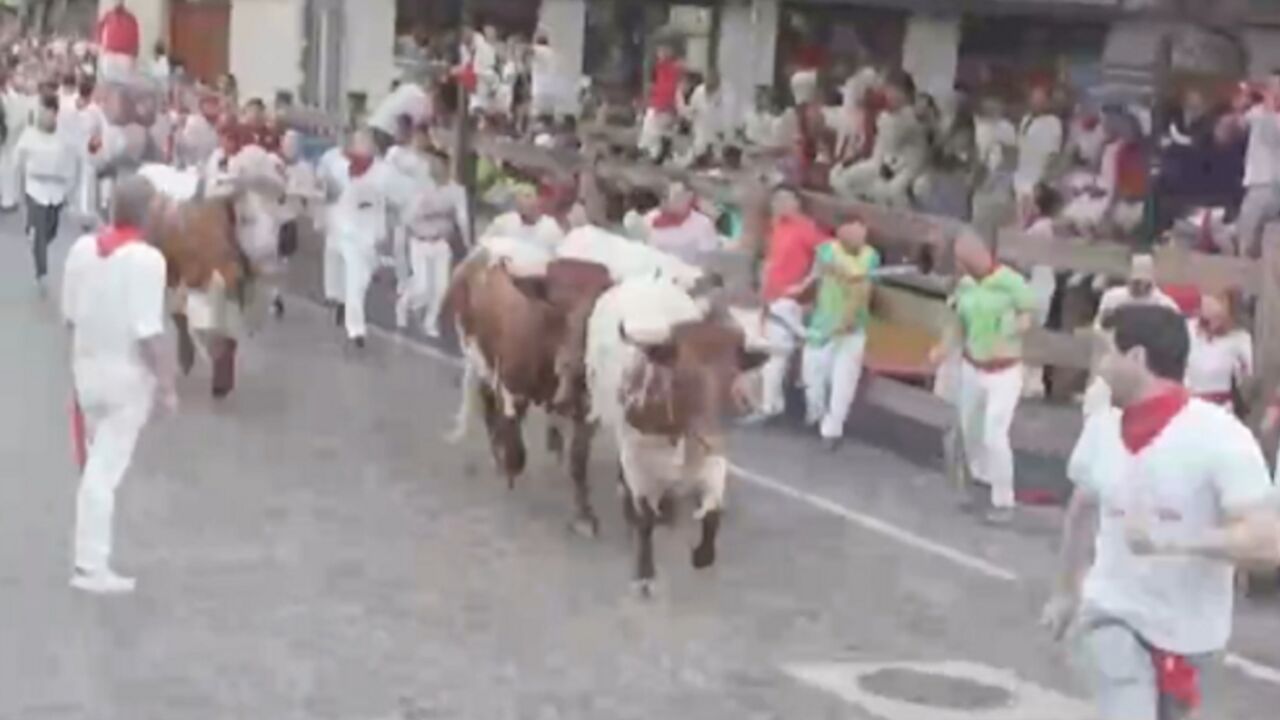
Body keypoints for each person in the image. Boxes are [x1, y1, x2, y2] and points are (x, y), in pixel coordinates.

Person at [1042, 303, 1280, 720]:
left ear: (1136, 358)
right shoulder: (1101, 427)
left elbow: (1268, 543)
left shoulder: (1221, 437)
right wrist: (1066, 590)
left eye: (1106, 353)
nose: (1098, 368)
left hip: (1192, 632)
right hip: (1110, 611)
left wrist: (1175, 541)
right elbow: (1082, 508)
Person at [61, 175, 177, 595]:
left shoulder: (81, 249)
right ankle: (91, 565)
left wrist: (75, 369)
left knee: (95, 466)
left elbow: (69, 317)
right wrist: (166, 385)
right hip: (126, 377)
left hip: (87, 371)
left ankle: (89, 557)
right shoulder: (147, 260)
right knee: (103, 471)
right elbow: (148, 332)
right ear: (149, 214)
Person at [931, 231, 1037, 525]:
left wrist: (1013, 328)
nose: (964, 262)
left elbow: (1029, 314)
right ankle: (980, 478)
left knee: (995, 432)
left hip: (1004, 370)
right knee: (969, 430)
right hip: (972, 367)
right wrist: (944, 347)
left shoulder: (1011, 282)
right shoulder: (964, 287)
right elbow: (956, 323)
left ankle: (1004, 501)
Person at [747, 185, 827, 424]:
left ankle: (771, 407)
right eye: (776, 200)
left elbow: (827, 252)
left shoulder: (805, 227)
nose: (779, 204)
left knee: (775, 355)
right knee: (769, 354)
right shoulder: (776, 228)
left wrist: (806, 283)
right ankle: (771, 404)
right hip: (770, 299)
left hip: (787, 301)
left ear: (796, 203)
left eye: (785, 199)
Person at [798, 221, 879, 449]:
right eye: (853, 231)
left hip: (853, 327)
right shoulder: (826, 250)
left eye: (862, 232)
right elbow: (820, 270)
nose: (859, 237)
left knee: (843, 381)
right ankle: (816, 411)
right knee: (812, 373)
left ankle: (832, 431)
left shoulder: (870, 257)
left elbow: (861, 288)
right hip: (823, 321)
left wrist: (848, 320)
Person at [320, 129, 394, 347]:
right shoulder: (339, 166)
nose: (364, 146)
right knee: (355, 280)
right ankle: (356, 329)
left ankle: (344, 303)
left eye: (367, 142)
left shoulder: (383, 171)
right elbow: (328, 189)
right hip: (348, 230)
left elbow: (394, 196)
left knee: (362, 279)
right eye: (359, 141)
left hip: (371, 234)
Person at [395, 147, 470, 337]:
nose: (433, 169)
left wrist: (468, 243)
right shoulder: (419, 189)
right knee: (422, 287)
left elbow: (462, 218)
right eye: (431, 166)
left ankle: (431, 321)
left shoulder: (456, 191)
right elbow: (407, 218)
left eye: (438, 166)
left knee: (441, 287)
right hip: (420, 242)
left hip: (441, 243)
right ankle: (404, 304)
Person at [828, 70, 927, 208]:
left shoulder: (910, 117)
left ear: (904, 94)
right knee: (839, 178)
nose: (888, 95)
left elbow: (898, 151)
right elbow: (879, 153)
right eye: (887, 90)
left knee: (892, 191)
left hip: (908, 168)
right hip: (882, 164)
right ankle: (859, 212)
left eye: (892, 91)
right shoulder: (884, 117)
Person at [16, 93, 79, 291]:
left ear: (55, 114)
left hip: (56, 192)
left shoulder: (63, 137)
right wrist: (20, 193)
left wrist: (70, 190)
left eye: (48, 112)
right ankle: (41, 273)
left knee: (51, 231)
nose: (44, 116)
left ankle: (33, 233)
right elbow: (18, 163)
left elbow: (71, 162)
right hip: (35, 190)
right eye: (41, 111)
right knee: (41, 236)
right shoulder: (29, 134)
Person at [1231, 70, 1280, 258]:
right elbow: (1238, 127)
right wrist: (1239, 106)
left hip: (1271, 184)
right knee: (1247, 237)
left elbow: (1271, 135)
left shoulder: (1271, 115)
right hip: (1256, 183)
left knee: (1259, 239)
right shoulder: (1259, 111)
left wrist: (1269, 101)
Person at [1184, 289, 1252, 411]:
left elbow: (1248, 375)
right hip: (1188, 406)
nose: (1208, 304)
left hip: (1220, 408)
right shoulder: (1187, 328)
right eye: (1206, 298)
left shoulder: (1240, 338)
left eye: (1217, 300)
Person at [1015, 85, 1064, 220]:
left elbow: (1053, 154)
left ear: (1047, 102)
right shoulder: (1026, 119)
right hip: (1021, 176)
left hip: (1038, 178)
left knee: (1034, 219)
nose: (1036, 103)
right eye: (1034, 99)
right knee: (1020, 217)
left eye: (1040, 100)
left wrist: (1042, 180)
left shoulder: (1053, 123)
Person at [643, 181, 721, 265]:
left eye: (678, 197)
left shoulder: (703, 223)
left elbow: (708, 255)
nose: (666, 201)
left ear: (688, 198)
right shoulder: (650, 219)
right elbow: (647, 253)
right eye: (665, 197)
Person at [482, 183, 564, 253]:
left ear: (539, 199)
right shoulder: (503, 222)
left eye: (527, 196)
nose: (520, 200)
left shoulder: (552, 228)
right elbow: (483, 247)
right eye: (518, 195)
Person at [637, 43, 683, 163]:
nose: (660, 54)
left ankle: (657, 155)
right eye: (659, 51)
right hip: (658, 104)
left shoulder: (673, 69)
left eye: (663, 51)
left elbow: (671, 89)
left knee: (656, 131)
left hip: (665, 106)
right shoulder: (659, 68)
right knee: (652, 130)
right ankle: (653, 154)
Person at [367, 78, 431, 154]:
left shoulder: (409, 88)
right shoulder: (421, 99)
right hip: (387, 130)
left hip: (376, 123)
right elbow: (410, 122)